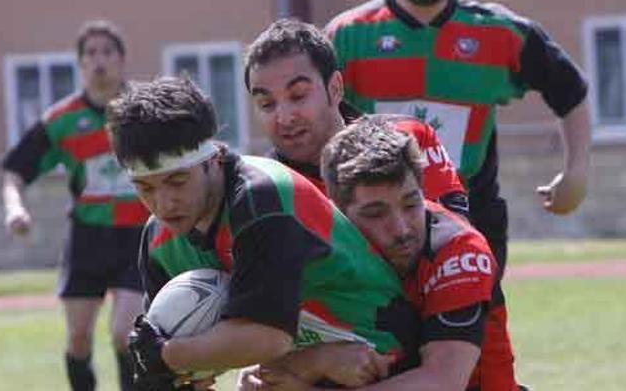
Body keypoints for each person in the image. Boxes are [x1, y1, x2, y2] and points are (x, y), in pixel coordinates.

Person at [325, 0, 591, 280]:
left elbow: (571, 92)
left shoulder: (501, 34)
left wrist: (576, 173)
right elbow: (312, 110)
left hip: (471, 223)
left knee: (466, 340)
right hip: (374, 231)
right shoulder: (348, 36)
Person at [106, 77, 420, 390]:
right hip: (296, 370)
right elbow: (160, 357)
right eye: (145, 188)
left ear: (213, 159)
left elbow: (267, 337)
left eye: (177, 181)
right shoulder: (159, 241)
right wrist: (167, 373)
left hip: (382, 358)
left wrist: (168, 355)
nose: (164, 203)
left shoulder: (263, 200)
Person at [240, 118, 521, 390]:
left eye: (411, 205)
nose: (401, 229)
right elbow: (267, 364)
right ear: (338, 215)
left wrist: (308, 374)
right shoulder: (314, 252)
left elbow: (442, 381)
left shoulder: (458, 251)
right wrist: (304, 364)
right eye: (376, 214)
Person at [1, 20, 148, 391]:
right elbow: (14, 171)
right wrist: (14, 208)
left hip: (138, 236)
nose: (99, 61)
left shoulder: (146, 112)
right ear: (80, 64)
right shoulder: (62, 120)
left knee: (125, 333)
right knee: (79, 339)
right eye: (90, 54)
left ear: (122, 59)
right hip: (88, 239)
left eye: (107, 52)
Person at [244, 18, 467, 213]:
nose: (284, 117)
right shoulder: (260, 190)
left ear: (336, 88)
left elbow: (456, 238)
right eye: (266, 104)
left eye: (298, 95)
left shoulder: (410, 139)